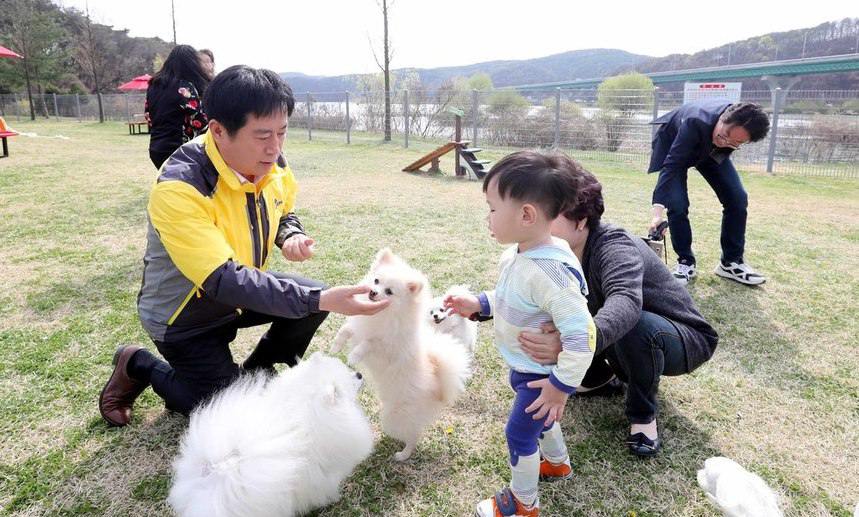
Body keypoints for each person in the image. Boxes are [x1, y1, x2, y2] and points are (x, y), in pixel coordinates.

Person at [98, 65, 389, 427]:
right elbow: (222, 279)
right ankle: (138, 363)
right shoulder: (180, 186)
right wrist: (321, 300)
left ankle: (255, 373)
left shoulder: (272, 162)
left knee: (313, 297)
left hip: (237, 296)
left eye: (282, 132)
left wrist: (290, 234)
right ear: (218, 130)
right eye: (263, 135)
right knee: (221, 410)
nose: (275, 148)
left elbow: (284, 209)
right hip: (184, 316)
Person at [517, 162, 719, 457]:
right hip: (621, 341)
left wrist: (572, 342)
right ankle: (599, 378)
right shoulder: (553, 253)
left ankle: (643, 416)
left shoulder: (614, 246)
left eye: (549, 214)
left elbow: (625, 303)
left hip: (684, 338)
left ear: (581, 220)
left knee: (634, 323)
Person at [445, 151, 596, 517]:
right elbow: (514, 298)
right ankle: (557, 462)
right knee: (541, 422)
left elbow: (583, 335)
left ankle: (523, 503)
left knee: (519, 434)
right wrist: (480, 303)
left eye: (493, 208)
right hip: (527, 369)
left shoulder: (549, 271)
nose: (488, 217)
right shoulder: (522, 253)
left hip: (543, 376)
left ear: (526, 214)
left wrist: (560, 387)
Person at [647, 100, 770, 286]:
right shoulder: (695, 121)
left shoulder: (732, 132)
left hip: (708, 150)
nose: (726, 143)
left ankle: (731, 262)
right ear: (722, 119)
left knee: (737, 197)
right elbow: (671, 166)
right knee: (677, 204)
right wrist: (657, 214)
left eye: (736, 143)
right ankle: (685, 262)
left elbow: (725, 143)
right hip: (673, 148)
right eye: (724, 135)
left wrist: (724, 142)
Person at [145, 44, 211, 169]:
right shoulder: (184, 87)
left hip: (156, 149)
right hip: (180, 150)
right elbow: (199, 122)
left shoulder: (154, 85)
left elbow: (148, 116)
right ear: (191, 65)